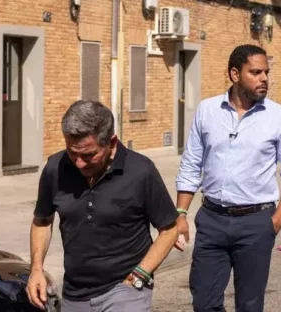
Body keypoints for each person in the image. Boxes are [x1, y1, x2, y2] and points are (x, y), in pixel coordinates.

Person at [174, 44, 281, 312]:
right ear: (235, 74)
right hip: (212, 220)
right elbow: (190, 164)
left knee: (249, 305)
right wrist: (181, 214)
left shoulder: (280, 117)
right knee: (204, 302)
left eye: (266, 72)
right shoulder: (207, 110)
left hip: (256, 222)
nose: (264, 79)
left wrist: (275, 221)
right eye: (255, 72)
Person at [26, 100, 179, 312]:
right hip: (74, 293)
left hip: (125, 289)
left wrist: (140, 275)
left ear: (112, 143)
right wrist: (36, 270)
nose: (79, 163)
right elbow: (42, 221)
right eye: (72, 153)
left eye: (89, 155)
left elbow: (169, 230)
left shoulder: (141, 171)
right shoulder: (56, 168)